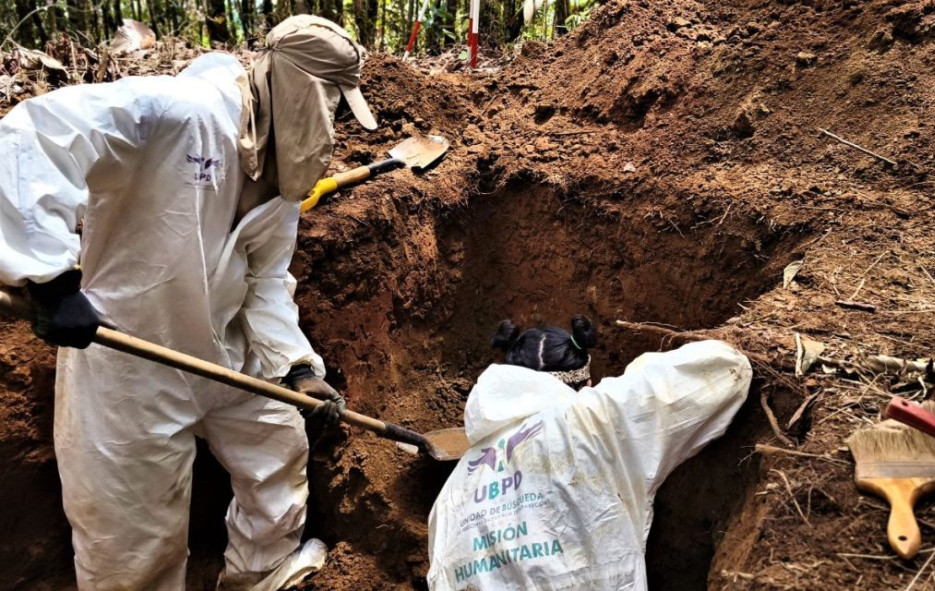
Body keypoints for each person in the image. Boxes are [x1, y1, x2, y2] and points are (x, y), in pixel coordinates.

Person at [0, 15, 376, 591]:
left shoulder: (283, 169)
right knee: (133, 541)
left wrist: (296, 367)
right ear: (304, 93)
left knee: (277, 449)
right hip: (127, 362)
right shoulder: (181, 112)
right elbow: (35, 135)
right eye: (334, 108)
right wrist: (50, 279)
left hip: (222, 349)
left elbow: (266, 277)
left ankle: (260, 574)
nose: (336, 127)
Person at [426, 316, 752, 590]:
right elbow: (725, 367)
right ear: (587, 381)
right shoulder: (592, 418)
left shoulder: (450, 496)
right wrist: (634, 373)